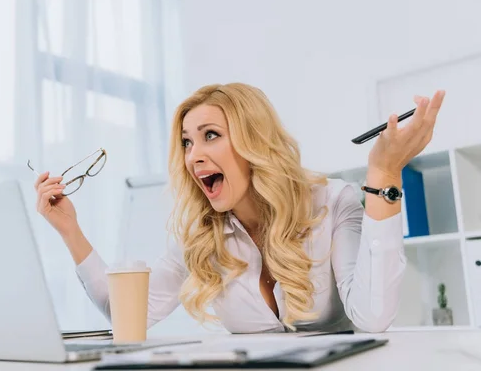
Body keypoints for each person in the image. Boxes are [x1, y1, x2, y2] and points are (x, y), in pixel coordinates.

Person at [33, 83, 445, 334]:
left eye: (210, 135)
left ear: (255, 143)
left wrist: (385, 173)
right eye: (187, 142)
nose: (193, 156)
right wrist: (70, 230)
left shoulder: (332, 203)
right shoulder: (202, 237)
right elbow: (128, 315)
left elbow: (373, 316)